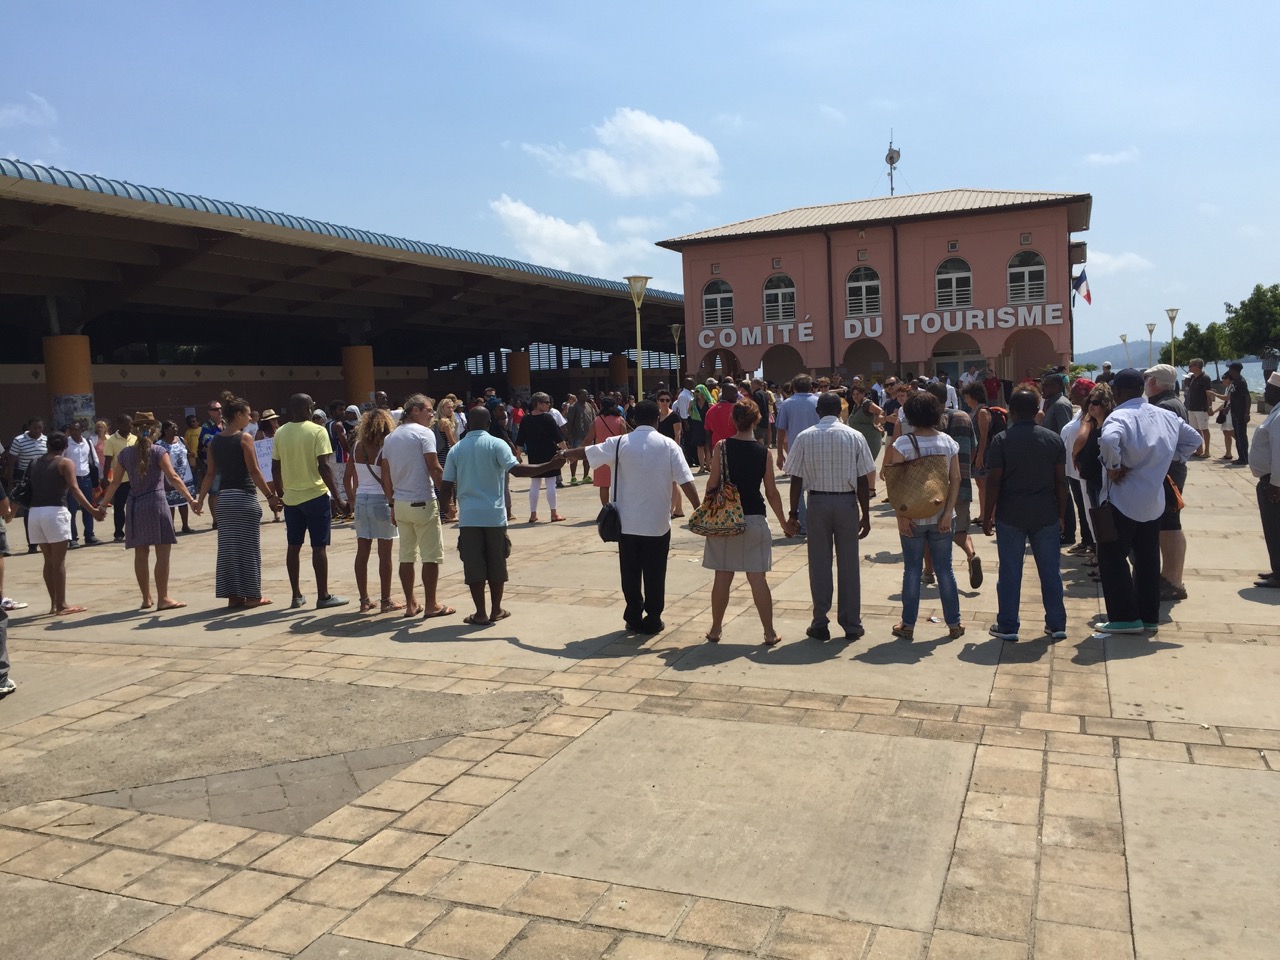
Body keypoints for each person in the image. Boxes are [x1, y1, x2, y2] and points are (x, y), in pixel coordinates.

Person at [565, 399, 700, 633]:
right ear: (658, 419)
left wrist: (565, 453)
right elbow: (686, 481)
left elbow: (586, 452)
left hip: (626, 523)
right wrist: (700, 510)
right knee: (655, 572)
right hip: (658, 524)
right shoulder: (669, 445)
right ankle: (654, 617)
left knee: (630, 572)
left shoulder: (618, 444)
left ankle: (634, 616)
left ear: (634, 420)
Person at [1095, 368, 1201, 633]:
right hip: (1153, 502)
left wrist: (1113, 466)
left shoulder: (1119, 415)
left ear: (1117, 392)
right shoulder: (1165, 416)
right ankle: (1149, 617)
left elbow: (1108, 440)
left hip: (1121, 500)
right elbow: (1194, 440)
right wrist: (1170, 459)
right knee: (1147, 560)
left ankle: (1124, 618)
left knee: (1112, 557)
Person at [441, 406, 564, 625]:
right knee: (497, 563)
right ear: (489, 424)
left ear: (468, 424)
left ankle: (480, 613)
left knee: (474, 565)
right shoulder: (497, 444)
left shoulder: (456, 450)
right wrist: (550, 465)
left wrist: (448, 508)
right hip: (494, 516)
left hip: (469, 518)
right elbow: (517, 470)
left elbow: (446, 485)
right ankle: (496, 610)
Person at [700, 399, 797, 646]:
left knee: (722, 576)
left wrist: (706, 510)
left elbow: (713, 484)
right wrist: (784, 523)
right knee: (757, 579)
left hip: (726, 519)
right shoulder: (764, 453)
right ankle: (769, 632)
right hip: (754, 518)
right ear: (757, 421)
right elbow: (772, 493)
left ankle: (715, 629)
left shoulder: (721, 447)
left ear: (733, 420)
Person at [785, 392, 875, 641]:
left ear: (818, 411)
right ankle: (851, 624)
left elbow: (796, 478)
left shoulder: (805, 437)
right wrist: (865, 514)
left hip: (817, 502)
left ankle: (820, 622)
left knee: (819, 564)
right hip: (847, 502)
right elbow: (863, 479)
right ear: (840, 411)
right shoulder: (854, 436)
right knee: (849, 565)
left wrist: (793, 513)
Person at [982, 387, 1068, 642]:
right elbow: (1060, 482)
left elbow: (994, 481)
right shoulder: (1053, 439)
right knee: (1050, 571)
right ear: (1037, 412)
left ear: (1013, 412)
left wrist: (987, 515)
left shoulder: (1002, 440)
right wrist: (1061, 514)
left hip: (1011, 515)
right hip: (1046, 514)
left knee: (1010, 572)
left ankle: (1008, 626)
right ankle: (1056, 624)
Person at [883, 392, 964, 640]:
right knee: (945, 570)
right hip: (941, 514)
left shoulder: (903, 444)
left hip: (913, 517)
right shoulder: (947, 442)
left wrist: (901, 515)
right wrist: (948, 512)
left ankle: (908, 625)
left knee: (912, 570)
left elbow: (895, 483)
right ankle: (954, 624)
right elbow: (956, 478)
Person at [101, 413, 201, 611]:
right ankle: (163, 597)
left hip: (135, 504)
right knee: (162, 552)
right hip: (156, 502)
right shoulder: (158, 451)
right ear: (154, 431)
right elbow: (173, 477)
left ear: (135, 431)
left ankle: (146, 598)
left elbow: (114, 482)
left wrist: (103, 504)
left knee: (141, 552)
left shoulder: (126, 454)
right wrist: (191, 499)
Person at [196, 398, 278, 609]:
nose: (250, 418)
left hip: (224, 500)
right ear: (239, 415)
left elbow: (210, 474)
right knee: (249, 548)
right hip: (244, 498)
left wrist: (199, 500)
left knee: (228, 549)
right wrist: (270, 496)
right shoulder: (245, 438)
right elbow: (254, 471)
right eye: (248, 414)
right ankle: (252, 595)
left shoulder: (215, 441)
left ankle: (233, 596)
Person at [271, 393, 349, 610]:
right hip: (315, 495)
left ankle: (296, 595)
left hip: (292, 499)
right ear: (308, 408)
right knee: (318, 547)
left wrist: (280, 494)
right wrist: (339, 498)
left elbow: (275, 466)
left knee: (293, 546)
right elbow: (323, 466)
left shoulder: (281, 432)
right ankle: (323, 595)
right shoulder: (317, 430)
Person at [382, 393, 453, 620]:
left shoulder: (391, 437)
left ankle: (411, 604)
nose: (432, 413)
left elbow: (386, 474)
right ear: (414, 410)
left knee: (406, 555)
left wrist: (391, 503)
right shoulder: (424, 434)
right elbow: (434, 468)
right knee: (430, 556)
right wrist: (448, 500)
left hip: (400, 503)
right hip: (422, 500)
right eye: (428, 409)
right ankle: (431, 604)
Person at [32, 434, 106, 615]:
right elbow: (74, 489)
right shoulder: (65, 463)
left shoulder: (34, 463)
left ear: (47, 445)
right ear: (65, 446)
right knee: (58, 562)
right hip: (55, 512)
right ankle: (62, 604)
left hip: (34, 513)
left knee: (48, 561)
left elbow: (26, 486)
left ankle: (53, 604)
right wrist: (93, 510)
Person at [344, 408, 402, 614]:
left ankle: (364, 600)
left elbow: (347, 478)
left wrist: (352, 500)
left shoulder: (357, 446)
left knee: (362, 552)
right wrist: (393, 503)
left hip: (362, 500)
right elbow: (387, 480)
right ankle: (386, 600)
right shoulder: (384, 448)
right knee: (384, 555)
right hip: (381, 501)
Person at [1145, 364, 1193, 602]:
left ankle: (1173, 580)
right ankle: (1169, 577)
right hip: (1172, 469)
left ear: (1153, 382)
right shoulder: (1173, 402)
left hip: (1168, 472)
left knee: (1170, 524)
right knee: (1167, 524)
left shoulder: (1164, 406)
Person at [514, 392, 567, 523]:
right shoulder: (548, 419)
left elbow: (520, 440)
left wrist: (518, 455)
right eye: (547, 403)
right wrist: (566, 452)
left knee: (535, 484)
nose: (549, 405)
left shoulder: (526, 419)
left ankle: (533, 514)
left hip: (534, 455)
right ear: (538, 404)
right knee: (551, 484)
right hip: (550, 455)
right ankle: (554, 513)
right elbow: (559, 438)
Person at [1039, 373, 1077, 546]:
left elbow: (1064, 432)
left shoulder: (1061, 405)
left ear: (1056, 386)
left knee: (1064, 494)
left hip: (1058, 457)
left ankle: (1068, 533)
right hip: (1049, 457)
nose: (1042, 388)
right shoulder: (1051, 403)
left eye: (1046, 385)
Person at [1250, 372, 1280, 588]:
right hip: (1270, 479)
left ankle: (1279, 574)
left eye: (1268, 389)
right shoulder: (1276, 413)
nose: (1264, 392)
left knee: (1275, 527)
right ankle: (1277, 568)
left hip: (1273, 482)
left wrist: (1276, 484)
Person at [6, 417, 47, 554]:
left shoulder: (46, 440)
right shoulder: (19, 440)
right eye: (35, 427)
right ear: (29, 427)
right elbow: (11, 462)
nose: (37, 430)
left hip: (43, 480)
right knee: (29, 513)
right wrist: (11, 482)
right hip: (26, 482)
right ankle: (32, 544)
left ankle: (45, 541)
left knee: (44, 512)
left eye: (40, 428)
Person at [64, 419, 100, 547]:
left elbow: (95, 461)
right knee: (72, 510)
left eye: (76, 429)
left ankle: (89, 535)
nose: (73, 431)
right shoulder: (66, 444)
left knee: (88, 508)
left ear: (82, 430)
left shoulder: (87, 443)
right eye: (71, 429)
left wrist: (98, 479)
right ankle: (73, 538)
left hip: (86, 479)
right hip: (71, 480)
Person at [102, 415, 136, 543]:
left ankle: (133, 531)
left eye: (131, 424)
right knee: (119, 507)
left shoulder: (135, 439)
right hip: (119, 481)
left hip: (134, 479)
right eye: (128, 424)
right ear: (120, 425)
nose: (130, 426)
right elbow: (107, 461)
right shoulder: (111, 440)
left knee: (134, 507)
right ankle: (118, 532)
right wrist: (105, 478)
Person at [157, 420, 194, 534]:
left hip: (185, 475)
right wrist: (163, 481)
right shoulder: (159, 444)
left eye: (176, 427)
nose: (176, 429)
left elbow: (187, 452)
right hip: (169, 477)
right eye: (173, 427)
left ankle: (185, 526)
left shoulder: (181, 440)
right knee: (170, 504)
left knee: (184, 501)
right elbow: (158, 464)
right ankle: (170, 527)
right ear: (165, 430)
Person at [655, 391, 686, 518]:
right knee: (672, 481)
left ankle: (671, 510)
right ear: (658, 401)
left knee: (673, 482)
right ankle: (679, 509)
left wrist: (676, 451)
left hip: (671, 451)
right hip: (659, 451)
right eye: (662, 400)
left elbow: (677, 434)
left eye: (667, 400)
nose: (665, 402)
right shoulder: (656, 417)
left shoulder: (674, 416)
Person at [433, 399, 459, 521]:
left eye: (452, 407)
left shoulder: (434, 422)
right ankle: (449, 513)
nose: (451, 410)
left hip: (438, 455)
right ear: (442, 409)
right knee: (450, 484)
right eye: (448, 407)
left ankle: (442, 513)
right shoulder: (445, 422)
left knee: (440, 485)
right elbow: (452, 442)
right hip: (446, 455)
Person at [564, 390, 596, 486]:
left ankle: (586, 476)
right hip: (576, 436)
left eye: (587, 394)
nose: (586, 396)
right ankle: (573, 477)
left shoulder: (589, 406)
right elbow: (569, 423)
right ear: (578, 396)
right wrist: (569, 436)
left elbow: (594, 419)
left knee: (587, 456)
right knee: (575, 456)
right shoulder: (573, 407)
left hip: (588, 436)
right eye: (584, 394)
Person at [255, 409, 282, 522]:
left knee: (283, 487)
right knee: (271, 490)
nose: (275, 421)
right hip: (267, 466)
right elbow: (257, 451)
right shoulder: (260, 434)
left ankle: (285, 508)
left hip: (280, 463)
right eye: (273, 420)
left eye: (275, 419)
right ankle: (275, 513)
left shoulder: (279, 431)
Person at [1184, 358, 1214, 458]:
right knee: (1196, 430)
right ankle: (1199, 449)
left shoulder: (1205, 378)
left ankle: (1207, 451)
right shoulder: (1193, 378)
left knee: (1204, 429)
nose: (1189, 367)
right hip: (1192, 407)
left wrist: (1210, 407)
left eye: (1191, 365)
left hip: (1201, 408)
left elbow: (1208, 394)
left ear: (1197, 366)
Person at [1224, 362, 1251, 466]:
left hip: (1240, 413)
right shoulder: (1234, 381)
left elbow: (1247, 397)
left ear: (1234, 370)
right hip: (1234, 412)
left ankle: (1244, 458)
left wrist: (1247, 413)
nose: (1229, 371)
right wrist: (1228, 407)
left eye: (1230, 369)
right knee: (1238, 435)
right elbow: (1235, 398)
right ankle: (1241, 457)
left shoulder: (1241, 382)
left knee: (1241, 436)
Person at [703, 380, 739, 451]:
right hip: (735, 448)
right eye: (735, 393)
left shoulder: (710, 411)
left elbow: (708, 434)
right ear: (726, 394)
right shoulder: (737, 410)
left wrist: (711, 453)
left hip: (717, 449)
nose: (737, 396)